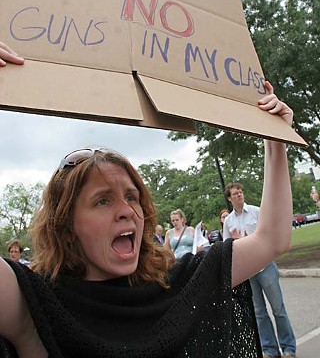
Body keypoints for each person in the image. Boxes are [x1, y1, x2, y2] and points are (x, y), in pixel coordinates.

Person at [0, 41, 294, 358]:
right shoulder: (35, 303)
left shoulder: (181, 284)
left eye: (132, 197)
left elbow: (270, 240)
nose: (126, 211)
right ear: (67, 224)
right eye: (102, 201)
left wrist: (276, 141)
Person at [223, 182, 296, 358]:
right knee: (259, 313)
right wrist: (237, 241)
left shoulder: (257, 211)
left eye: (240, 191)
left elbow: (270, 235)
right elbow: (227, 247)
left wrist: (252, 240)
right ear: (229, 198)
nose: (239, 195)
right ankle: (270, 349)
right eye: (235, 193)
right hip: (248, 271)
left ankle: (288, 348)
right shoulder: (228, 221)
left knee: (278, 308)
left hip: (265, 267)